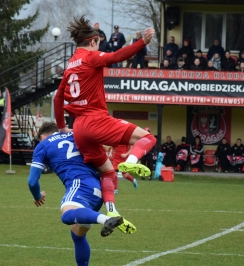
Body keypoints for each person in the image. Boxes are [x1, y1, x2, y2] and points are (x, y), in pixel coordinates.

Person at [54, 16, 156, 218]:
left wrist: (61, 127)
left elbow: (58, 98)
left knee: (108, 172)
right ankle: (133, 161)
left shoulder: (70, 65)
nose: (98, 46)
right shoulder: (90, 57)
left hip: (80, 129)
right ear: (92, 42)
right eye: (98, 43)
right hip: (96, 120)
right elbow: (116, 56)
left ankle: (111, 211)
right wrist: (142, 42)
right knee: (149, 138)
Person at [27, 122, 136, 265]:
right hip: (98, 189)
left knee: (66, 215)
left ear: (42, 136)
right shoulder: (77, 134)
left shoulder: (43, 145)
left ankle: (106, 220)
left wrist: (37, 196)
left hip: (80, 184)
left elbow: (32, 181)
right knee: (77, 234)